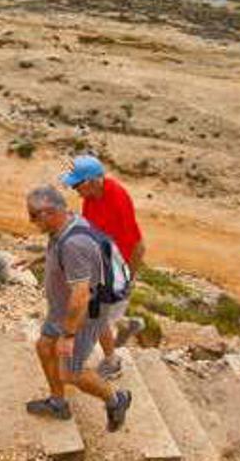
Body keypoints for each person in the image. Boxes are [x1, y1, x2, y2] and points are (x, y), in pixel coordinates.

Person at [24, 186, 132, 432]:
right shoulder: (67, 224)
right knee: (44, 347)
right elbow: (67, 255)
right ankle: (57, 402)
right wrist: (41, 258)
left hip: (83, 314)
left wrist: (69, 335)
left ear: (50, 212)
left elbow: (81, 295)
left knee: (72, 373)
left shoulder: (75, 244)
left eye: (33, 215)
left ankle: (116, 400)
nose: (30, 221)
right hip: (61, 309)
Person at [61, 155, 146, 378]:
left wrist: (128, 279)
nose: (74, 189)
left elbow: (137, 245)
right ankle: (126, 325)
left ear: (91, 182)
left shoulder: (118, 199)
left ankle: (113, 362)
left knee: (96, 317)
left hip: (117, 269)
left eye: (76, 184)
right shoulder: (91, 197)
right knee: (98, 313)